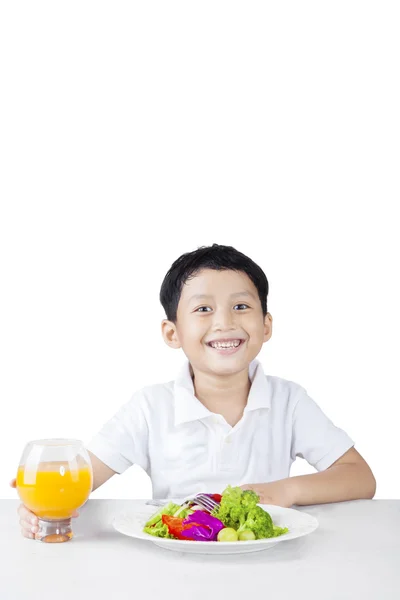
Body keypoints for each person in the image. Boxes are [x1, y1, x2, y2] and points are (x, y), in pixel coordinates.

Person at [12, 244, 376, 539]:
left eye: (241, 306)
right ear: (172, 333)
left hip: (267, 567)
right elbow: (81, 478)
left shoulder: (289, 401)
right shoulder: (150, 407)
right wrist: (41, 502)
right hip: (173, 566)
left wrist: (286, 491)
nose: (224, 322)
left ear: (266, 325)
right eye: (203, 308)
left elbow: (360, 477)